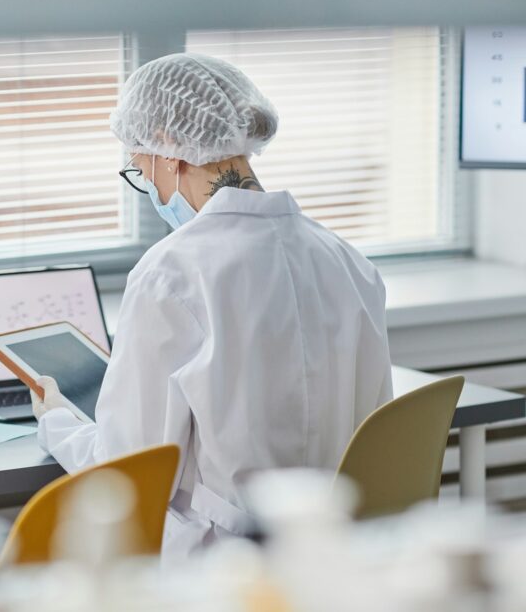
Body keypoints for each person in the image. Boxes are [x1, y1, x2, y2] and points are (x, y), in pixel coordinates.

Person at [31, 53, 393, 562]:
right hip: (336, 557)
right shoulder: (348, 262)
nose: (150, 188)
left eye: (141, 169)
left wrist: (56, 422)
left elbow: (126, 469)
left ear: (169, 147)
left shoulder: (170, 274)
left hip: (223, 568)